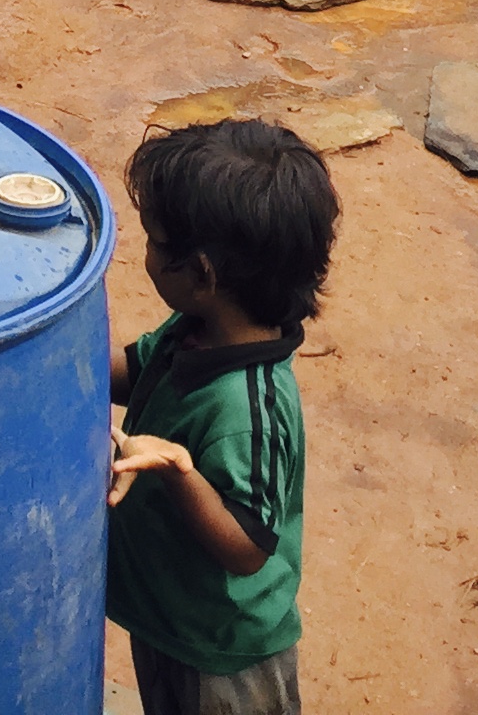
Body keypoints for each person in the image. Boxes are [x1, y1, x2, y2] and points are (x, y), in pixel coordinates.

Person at [104, 119, 337, 715]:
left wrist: (179, 470)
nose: (145, 254)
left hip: (224, 655)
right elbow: (139, 369)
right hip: (169, 617)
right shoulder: (197, 330)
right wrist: (54, 358)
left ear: (202, 274)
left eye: (155, 243)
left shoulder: (247, 409)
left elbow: (248, 547)